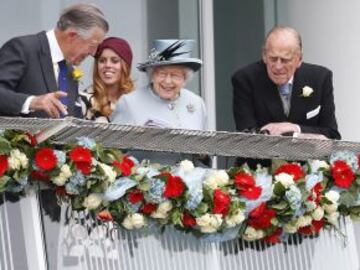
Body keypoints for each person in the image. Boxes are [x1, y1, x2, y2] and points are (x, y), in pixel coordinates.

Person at [0, 3, 109, 118]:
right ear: (72, 35)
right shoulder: (23, 48)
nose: (93, 53)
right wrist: (32, 102)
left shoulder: (69, 69)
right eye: (92, 45)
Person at [232, 26, 341, 140]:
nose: (278, 66)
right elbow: (246, 136)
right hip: (262, 157)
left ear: (299, 59)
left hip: (308, 156)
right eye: (273, 59)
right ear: (264, 56)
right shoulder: (245, 79)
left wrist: (295, 129)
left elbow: (332, 135)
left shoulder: (320, 78)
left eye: (285, 60)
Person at [111, 39, 208, 165]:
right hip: (144, 182)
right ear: (152, 75)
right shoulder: (129, 103)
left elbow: (205, 155)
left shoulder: (196, 103)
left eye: (175, 75)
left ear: (184, 78)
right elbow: (113, 153)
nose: (168, 81)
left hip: (189, 182)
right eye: (162, 74)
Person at [79, 37, 134, 123]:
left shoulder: (135, 100)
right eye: (102, 60)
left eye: (114, 61)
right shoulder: (84, 101)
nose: (107, 65)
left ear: (125, 67)